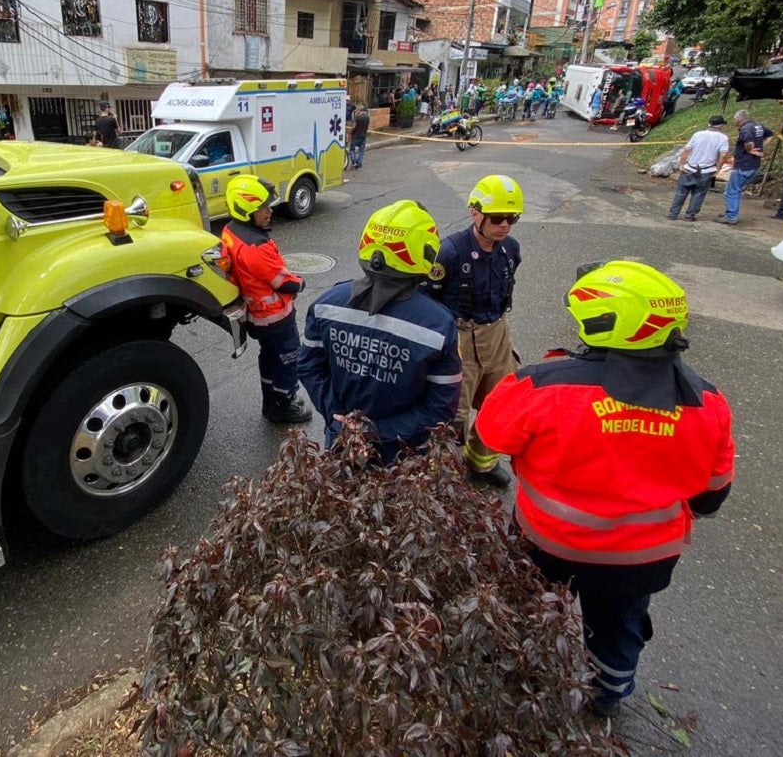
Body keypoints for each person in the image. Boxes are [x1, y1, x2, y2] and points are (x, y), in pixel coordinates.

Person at [477, 260, 735, 717]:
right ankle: (607, 697)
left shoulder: (539, 386)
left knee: (534, 613)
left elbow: (490, 437)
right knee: (619, 627)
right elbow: (712, 495)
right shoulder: (707, 401)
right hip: (640, 561)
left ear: (599, 323)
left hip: (548, 542)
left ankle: (528, 682)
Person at [298, 200, 462, 465]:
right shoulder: (437, 325)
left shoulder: (326, 303)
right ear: (425, 254)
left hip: (341, 441)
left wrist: (339, 419)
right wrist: (374, 431)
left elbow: (309, 368)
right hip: (402, 454)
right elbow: (441, 408)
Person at [421, 174, 523, 487]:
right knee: (455, 412)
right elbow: (428, 299)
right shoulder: (450, 252)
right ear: (475, 213)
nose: (504, 226)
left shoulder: (510, 249)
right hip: (460, 334)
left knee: (502, 401)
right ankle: (445, 475)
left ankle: (481, 463)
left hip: (496, 331)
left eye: (512, 218)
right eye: (497, 218)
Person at [220, 175, 313, 425]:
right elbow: (283, 281)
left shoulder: (231, 231)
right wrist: (301, 282)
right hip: (275, 318)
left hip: (257, 317)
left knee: (269, 357)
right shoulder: (256, 247)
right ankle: (284, 406)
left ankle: (269, 402)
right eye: (263, 208)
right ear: (246, 210)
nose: (269, 211)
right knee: (289, 358)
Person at [667, 115, 730, 221]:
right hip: (707, 170)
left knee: (681, 192)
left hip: (690, 168)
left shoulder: (698, 134)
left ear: (709, 124)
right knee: (699, 194)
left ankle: (673, 214)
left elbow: (686, 150)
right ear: (721, 126)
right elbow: (723, 156)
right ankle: (690, 215)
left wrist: (682, 164)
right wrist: (718, 169)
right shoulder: (723, 138)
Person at [717, 109, 772, 225]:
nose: (734, 121)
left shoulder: (745, 129)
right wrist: (761, 146)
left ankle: (731, 215)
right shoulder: (758, 126)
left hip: (743, 165)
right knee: (734, 190)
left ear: (739, 119)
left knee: (732, 191)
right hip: (754, 164)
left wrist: (750, 149)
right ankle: (731, 212)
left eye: (735, 119)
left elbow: (748, 143)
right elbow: (770, 134)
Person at [348, 102, 370, 170]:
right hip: (363, 136)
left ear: (359, 110)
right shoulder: (367, 117)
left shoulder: (357, 117)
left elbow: (354, 126)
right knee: (361, 151)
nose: (356, 111)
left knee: (352, 149)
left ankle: (354, 162)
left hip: (355, 136)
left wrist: (350, 132)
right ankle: (359, 164)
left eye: (356, 110)